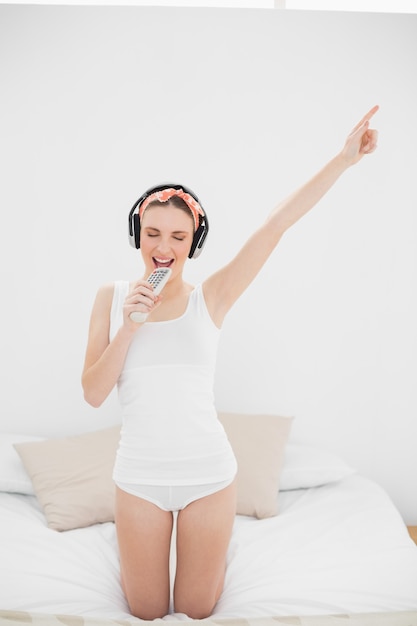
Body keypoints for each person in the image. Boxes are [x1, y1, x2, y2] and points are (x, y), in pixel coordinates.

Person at [81, 106, 379, 620]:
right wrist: (130, 326)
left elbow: (275, 225)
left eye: (178, 236)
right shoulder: (110, 298)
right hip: (139, 477)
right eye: (153, 233)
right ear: (137, 234)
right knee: (147, 612)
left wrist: (343, 160)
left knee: (196, 610)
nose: (163, 248)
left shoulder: (211, 298)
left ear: (194, 241)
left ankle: (214, 564)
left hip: (208, 475)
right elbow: (92, 393)